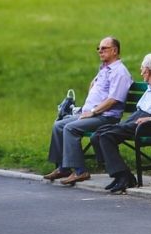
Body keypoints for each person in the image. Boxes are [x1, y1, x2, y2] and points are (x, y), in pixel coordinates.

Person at [44, 36, 133, 186]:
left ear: (114, 50)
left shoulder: (120, 72)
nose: (100, 51)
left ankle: (80, 171)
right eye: (98, 48)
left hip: (106, 117)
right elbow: (97, 88)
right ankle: (63, 167)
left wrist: (93, 111)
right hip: (93, 113)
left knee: (70, 128)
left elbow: (114, 99)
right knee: (58, 125)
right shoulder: (105, 69)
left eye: (104, 48)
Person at [91, 53, 151, 193]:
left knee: (106, 136)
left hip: (147, 124)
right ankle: (121, 175)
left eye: (142, 69)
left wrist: (150, 119)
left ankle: (123, 176)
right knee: (97, 134)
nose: (141, 72)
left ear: (148, 70)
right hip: (138, 119)